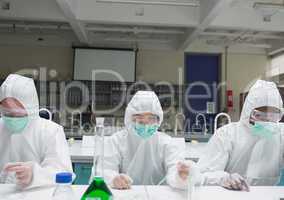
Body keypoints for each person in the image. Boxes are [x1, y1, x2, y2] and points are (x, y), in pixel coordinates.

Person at [175, 80, 284, 191]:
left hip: (268, 195)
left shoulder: (280, 134)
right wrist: (224, 178)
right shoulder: (227, 134)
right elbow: (203, 174)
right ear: (248, 112)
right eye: (260, 115)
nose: (267, 121)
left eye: (273, 116)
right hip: (231, 194)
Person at [91, 91, 186, 189]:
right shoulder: (116, 141)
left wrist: (180, 176)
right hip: (124, 195)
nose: (145, 125)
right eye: (140, 120)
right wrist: (113, 179)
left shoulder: (166, 143)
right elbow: (103, 170)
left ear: (159, 120)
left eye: (151, 119)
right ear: (130, 119)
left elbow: (175, 168)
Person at [0, 74, 73, 188]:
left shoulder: (51, 131)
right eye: (7, 112)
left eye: (17, 113)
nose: (12, 118)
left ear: (31, 108)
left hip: (39, 194)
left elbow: (63, 173)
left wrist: (34, 174)